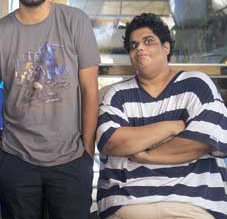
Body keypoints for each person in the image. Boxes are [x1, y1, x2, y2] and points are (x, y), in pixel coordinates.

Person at [0, 0, 100, 219]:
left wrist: (87, 150)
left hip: (71, 157)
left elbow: (90, 89)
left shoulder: (75, 21)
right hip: (16, 158)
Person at [96, 13, 227, 219]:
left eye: (148, 41)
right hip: (129, 204)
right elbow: (111, 142)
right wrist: (172, 127)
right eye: (133, 45)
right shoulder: (117, 95)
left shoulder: (197, 85)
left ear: (166, 48)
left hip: (192, 205)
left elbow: (203, 141)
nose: (139, 47)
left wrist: (146, 154)